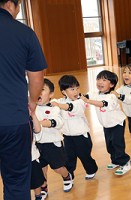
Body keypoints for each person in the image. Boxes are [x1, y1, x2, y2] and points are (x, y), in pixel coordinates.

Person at [0, 0, 47, 199]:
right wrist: (33, 100)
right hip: (13, 119)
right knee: (17, 182)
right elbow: (37, 76)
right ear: (11, 4)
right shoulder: (24, 32)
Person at [81, 70, 131, 176]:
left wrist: (88, 101)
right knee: (109, 145)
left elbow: (102, 104)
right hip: (106, 124)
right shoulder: (94, 93)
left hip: (117, 123)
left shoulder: (112, 96)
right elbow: (85, 96)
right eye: (98, 79)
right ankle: (115, 161)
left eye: (104, 80)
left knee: (117, 144)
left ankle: (125, 162)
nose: (100, 82)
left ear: (111, 84)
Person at [51, 75, 98, 180]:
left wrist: (58, 105)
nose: (76, 91)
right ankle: (69, 174)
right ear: (64, 91)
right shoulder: (60, 101)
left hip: (82, 136)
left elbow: (70, 107)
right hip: (67, 137)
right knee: (68, 157)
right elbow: (52, 102)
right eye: (72, 89)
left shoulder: (80, 101)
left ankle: (91, 170)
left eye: (77, 88)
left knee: (84, 156)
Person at [35, 79, 73, 194]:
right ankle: (44, 187)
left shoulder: (54, 108)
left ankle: (66, 176)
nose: (38, 92)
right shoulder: (32, 107)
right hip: (37, 144)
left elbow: (57, 122)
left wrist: (39, 123)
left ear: (51, 94)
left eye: (42, 90)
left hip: (53, 144)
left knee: (58, 168)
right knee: (41, 169)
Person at [29, 112, 47, 200]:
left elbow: (38, 130)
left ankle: (38, 196)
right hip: (15, 160)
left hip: (32, 158)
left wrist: (32, 114)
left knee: (36, 181)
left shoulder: (28, 120)